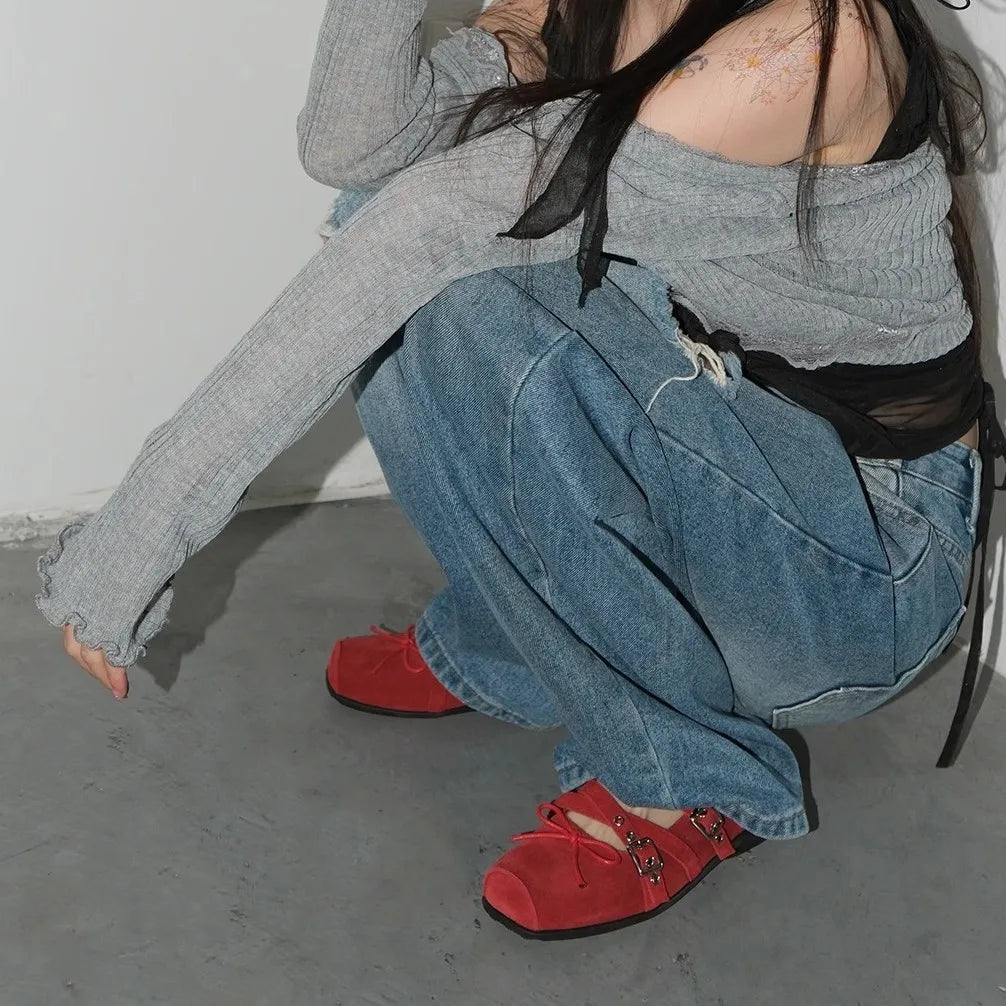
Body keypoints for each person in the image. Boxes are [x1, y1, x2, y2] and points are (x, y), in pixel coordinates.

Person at [42, 0, 1002, 939]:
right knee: (395, 222)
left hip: (855, 573)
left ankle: (684, 781)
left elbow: (435, 223)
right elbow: (357, 151)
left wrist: (142, 528)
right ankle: (523, 636)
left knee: (461, 285)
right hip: (726, 481)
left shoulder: (817, 40)